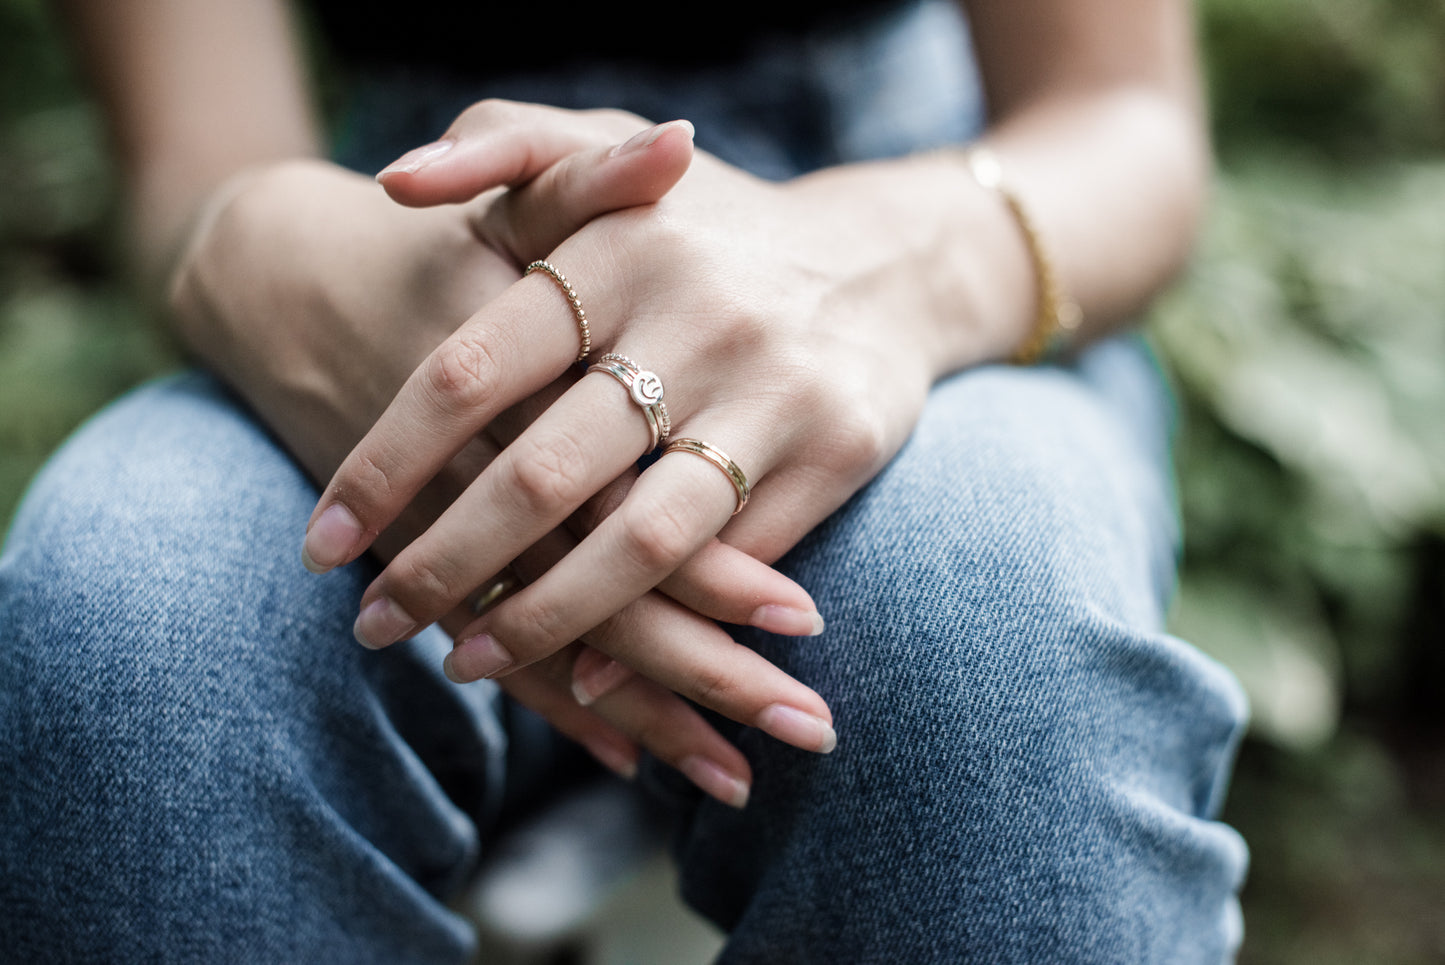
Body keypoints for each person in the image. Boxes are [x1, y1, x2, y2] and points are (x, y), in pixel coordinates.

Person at [0, 0, 1250, 961]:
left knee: (978, 634)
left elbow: (1122, 123)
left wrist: (848, 272)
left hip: (910, 228)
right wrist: (255, 237)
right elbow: (195, 166)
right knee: (130, 631)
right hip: (393, 245)